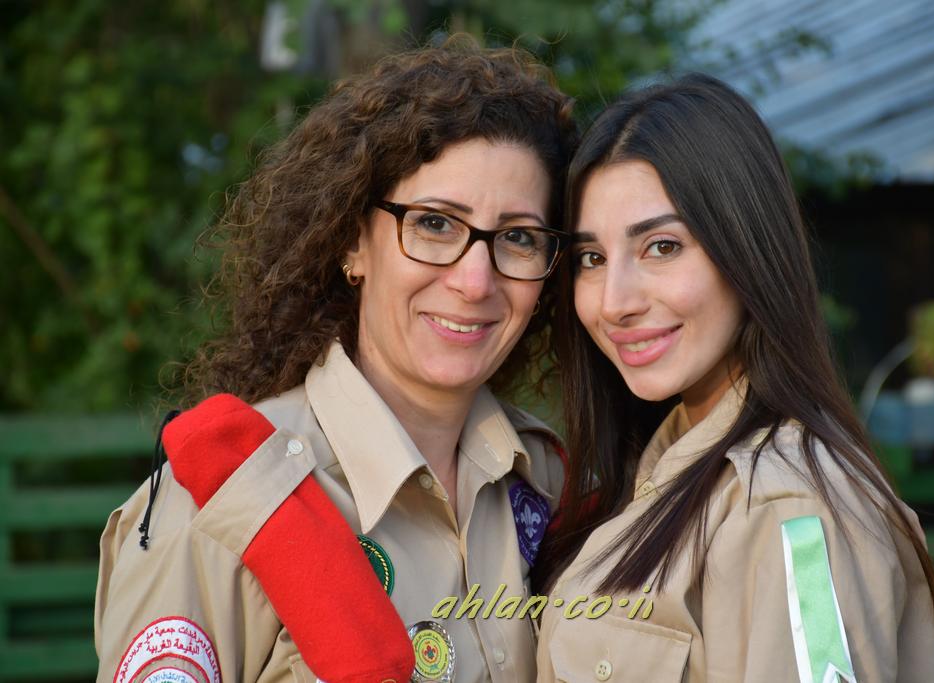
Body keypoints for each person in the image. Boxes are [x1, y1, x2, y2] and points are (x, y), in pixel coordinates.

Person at [94, 38, 577, 683]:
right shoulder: (216, 508)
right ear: (353, 242)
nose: (475, 280)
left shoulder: (545, 481)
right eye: (435, 224)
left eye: (518, 237)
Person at [533, 74, 934, 682]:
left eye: (662, 247)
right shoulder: (659, 469)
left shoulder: (789, 508)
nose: (614, 302)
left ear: (747, 248)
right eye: (592, 258)